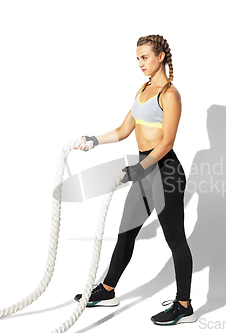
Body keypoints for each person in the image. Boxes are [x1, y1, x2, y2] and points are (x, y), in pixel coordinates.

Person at [73, 34, 195, 326]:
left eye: (145, 57)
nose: (140, 64)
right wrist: (95, 140)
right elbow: (124, 130)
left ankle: (184, 305)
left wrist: (141, 168)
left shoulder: (169, 94)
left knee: (175, 239)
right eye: (138, 58)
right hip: (144, 169)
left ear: (160, 56)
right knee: (126, 232)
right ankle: (107, 289)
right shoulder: (143, 90)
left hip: (165, 172)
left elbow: (167, 142)